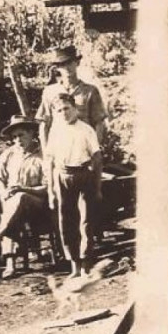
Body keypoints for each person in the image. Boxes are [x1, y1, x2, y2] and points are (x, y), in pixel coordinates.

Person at [0, 117, 49, 279]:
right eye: (14, 137)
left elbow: (47, 187)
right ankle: (10, 265)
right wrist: (3, 193)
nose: (17, 140)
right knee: (12, 209)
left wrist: (23, 189)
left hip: (38, 203)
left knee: (20, 197)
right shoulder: (9, 154)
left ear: (31, 133)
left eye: (21, 135)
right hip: (12, 204)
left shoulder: (43, 154)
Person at [46, 93, 102, 277]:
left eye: (67, 108)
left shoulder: (86, 130)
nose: (64, 113)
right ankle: (74, 265)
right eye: (59, 110)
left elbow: (97, 158)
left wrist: (98, 186)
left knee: (85, 221)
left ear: (75, 109)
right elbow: (50, 161)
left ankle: (86, 263)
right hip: (63, 176)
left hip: (83, 174)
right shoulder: (55, 131)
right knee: (66, 221)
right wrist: (51, 190)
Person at [36, 45, 108, 149]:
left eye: (70, 63)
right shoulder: (50, 91)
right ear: (57, 68)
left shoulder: (90, 91)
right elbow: (44, 124)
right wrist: (47, 154)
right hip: (59, 147)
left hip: (83, 146)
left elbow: (99, 123)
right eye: (62, 65)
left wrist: (94, 150)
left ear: (77, 63)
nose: (67, 68)